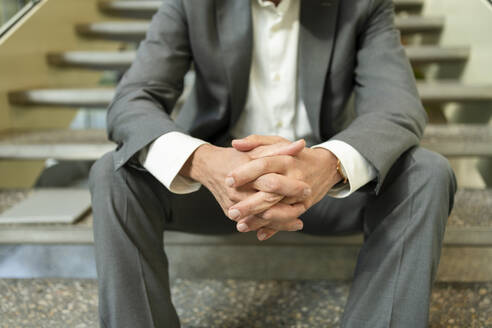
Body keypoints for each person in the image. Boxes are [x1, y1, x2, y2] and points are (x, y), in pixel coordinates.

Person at [88, 0, 457, 327]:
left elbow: (397, 107)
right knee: (113, 173)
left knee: (426, 173)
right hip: (220, 188)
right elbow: (133, 99)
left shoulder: (363, 5)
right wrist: (202, 161)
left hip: (320, 190)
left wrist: (328, 164)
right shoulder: (190, 4)